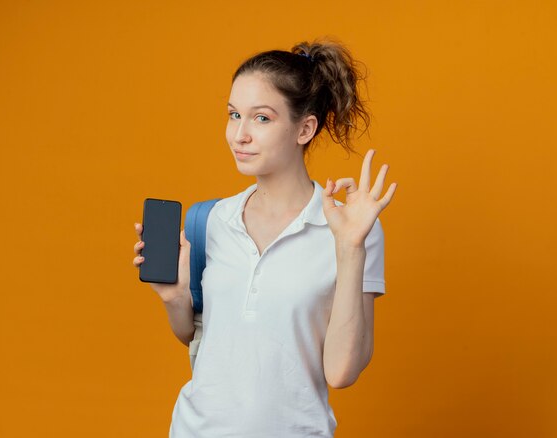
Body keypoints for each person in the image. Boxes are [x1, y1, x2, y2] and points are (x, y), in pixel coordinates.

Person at [133, 38, 397, 437]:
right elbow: (199, 335)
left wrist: (350, 247)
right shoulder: (210, 220)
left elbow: (342, 371)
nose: (239, 134)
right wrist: (174, 297)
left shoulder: (351, 230)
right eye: (233, 114)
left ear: (304, 128)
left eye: (261, 118)